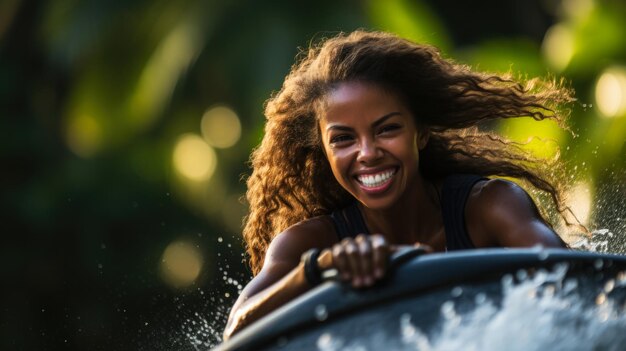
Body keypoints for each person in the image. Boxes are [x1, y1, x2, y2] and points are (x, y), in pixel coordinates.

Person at [223, 30, 579, 339]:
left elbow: (573, 278)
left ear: (420, 132)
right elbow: (236, 331)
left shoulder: (490, 206)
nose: (367, 153)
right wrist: (319, 271)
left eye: (387, 129)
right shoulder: (309, 246)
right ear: (323, 150)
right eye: (343, 139)